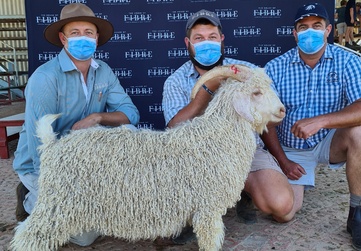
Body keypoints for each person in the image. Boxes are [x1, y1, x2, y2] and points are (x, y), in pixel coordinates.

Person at [162, 9, 294, 245]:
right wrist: (206, 91)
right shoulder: (176, 80)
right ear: (188, 43)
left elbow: (273, 119)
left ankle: (244, 194)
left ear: (222, 39)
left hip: (245, 153)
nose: (206, 43)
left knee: (282, 207)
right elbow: (173, 129)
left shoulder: (246, 72)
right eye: (199, 38)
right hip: (195, 158)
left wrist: (282, 160)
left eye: (212, 37)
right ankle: (193, 215)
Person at [13, 3, 140, 247]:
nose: (83, 38)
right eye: (75, 33)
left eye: (88, 32)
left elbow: (130, 114)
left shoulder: (104, 71)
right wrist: (55, 189)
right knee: (85, 236)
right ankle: (31, 199)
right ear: (63, 38)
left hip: (86, 158)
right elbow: (40, 139)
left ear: (97, 37)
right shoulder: (45, 77)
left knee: (128, 132)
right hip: (47, 163)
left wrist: (98, 118)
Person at [264, 2, 361, 250]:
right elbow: (265, 121)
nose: (310, 32)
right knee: (282, 213)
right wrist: (283, 161)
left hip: (330, 141)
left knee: (360, 133)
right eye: (303, 27)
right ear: (294, 33)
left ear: (328, 30)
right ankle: (298, 181)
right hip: (291, 148)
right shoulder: (275, 68)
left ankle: (357, 213)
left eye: (316, 26)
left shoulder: (348, 61)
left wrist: (321, 121)